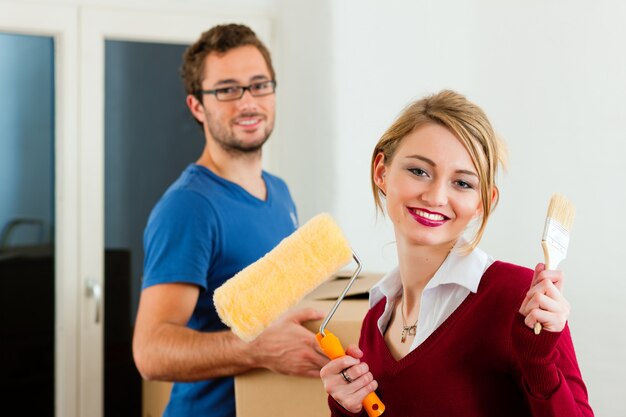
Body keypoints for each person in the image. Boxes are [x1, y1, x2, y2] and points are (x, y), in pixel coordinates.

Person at [320, 90, 593, 416]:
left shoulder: (521, 299)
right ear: (381, 171)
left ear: (484, 202)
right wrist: (346, 407)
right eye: (419, 171)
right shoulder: (375, 318)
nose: (435, 197)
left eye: (462, 183)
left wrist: (538, 363)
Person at [132, 24, 328, 417]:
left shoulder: (279, 192)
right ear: (197, 106)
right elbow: (150, 352)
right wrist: (255, 349)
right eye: (227, 90)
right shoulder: (189, 208)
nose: (248, 102)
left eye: (259, 85)